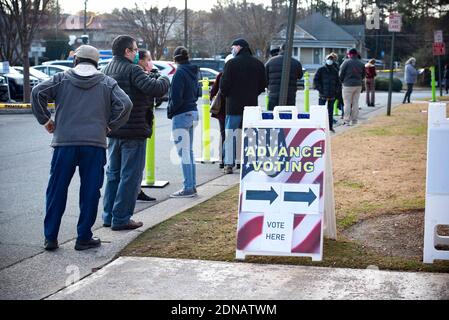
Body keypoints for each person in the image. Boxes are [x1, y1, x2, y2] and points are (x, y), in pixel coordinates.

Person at [31, 45, 133, 251]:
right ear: (96, 63)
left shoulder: (61, 78)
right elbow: (126, 105)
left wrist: (46, 120)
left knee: (56, 190)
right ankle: (83, 237)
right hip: (94, 144)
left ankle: (50, 237)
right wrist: (110, 125)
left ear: (76, 61)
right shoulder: (107, 82)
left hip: (64, 143)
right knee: (90, 191)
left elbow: (37, 92)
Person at [102, 35, 170, 231]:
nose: (136, 52)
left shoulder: (107, 69)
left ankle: (109, 216)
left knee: (113, 175)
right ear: (127, 52)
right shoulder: (133, 69)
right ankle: (122, 217)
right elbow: (155, 88)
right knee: (130, 176)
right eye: (135, 49)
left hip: (114, 130)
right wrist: (164, 77)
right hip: (134, 129)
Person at [220, 38, 266, 174]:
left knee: (230, 136)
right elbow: (263, 85)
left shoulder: (231, 64)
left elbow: (224, 86)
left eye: (233, 47)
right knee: (250, 135)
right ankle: (249, 161)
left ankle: (228, 164)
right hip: (251, 105)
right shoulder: (258, 64)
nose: (232, 50)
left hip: (233, 106)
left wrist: (228, 95)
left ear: (238, 47)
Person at [167, 46, 200, 198]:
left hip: (181, 114)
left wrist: (171, 111)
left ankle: (188, 187)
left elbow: (176, 98)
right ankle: (191, 185)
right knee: (189, 152)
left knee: (184, 153)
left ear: (175, 59)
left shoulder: (179, 73)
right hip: (193, 112)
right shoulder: (193, 71)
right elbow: (197, 92)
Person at [136, 49, 159, 202]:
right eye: (148, 59)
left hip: (133, 125)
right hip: (137, 125)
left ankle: (137, 190)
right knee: (134, 165)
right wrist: (159, 78)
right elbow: (156, 89)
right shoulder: (138, 75)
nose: (150, 62)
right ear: (141, 60)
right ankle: (133, 192)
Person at [210, 54, 233, 169]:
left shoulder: (221, 75)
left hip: (222, 112)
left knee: (224, 135)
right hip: (234, 109)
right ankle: (234, 159)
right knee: (234, 135)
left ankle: (223, 160)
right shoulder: (237, 76)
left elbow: (213, 92)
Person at [265, 43, 303, 111]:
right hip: (290, 94)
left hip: (273, 94)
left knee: (272, 115)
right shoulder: (296, 63)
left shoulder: (270, 61)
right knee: (288, 116)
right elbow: (300, 76)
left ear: (280, 49)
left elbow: (265, 77)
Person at [313, 54, 340, 133]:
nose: (330, 60)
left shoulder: (335, 70)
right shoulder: (321, 69)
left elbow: (338, 82)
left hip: (332, 94)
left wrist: (336, 91)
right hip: (322, 94)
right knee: (320, 112)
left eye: (331, 59)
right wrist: (320, 90)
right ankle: (320, 127)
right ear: (325, 60)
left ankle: (330, 127)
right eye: (329, 59)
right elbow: (316, 80)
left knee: (330, 113)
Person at [339, 48, 365, 126]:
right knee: (355, 103)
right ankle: (354, 120)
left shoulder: (346, 62)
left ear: (349, 54)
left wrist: (342, 81)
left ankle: (347, 120)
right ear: (356, 54)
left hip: (347, 85)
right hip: (358, 85)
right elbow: (364, 74)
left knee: (347, 103)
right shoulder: (361, 63)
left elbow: (341, 74)